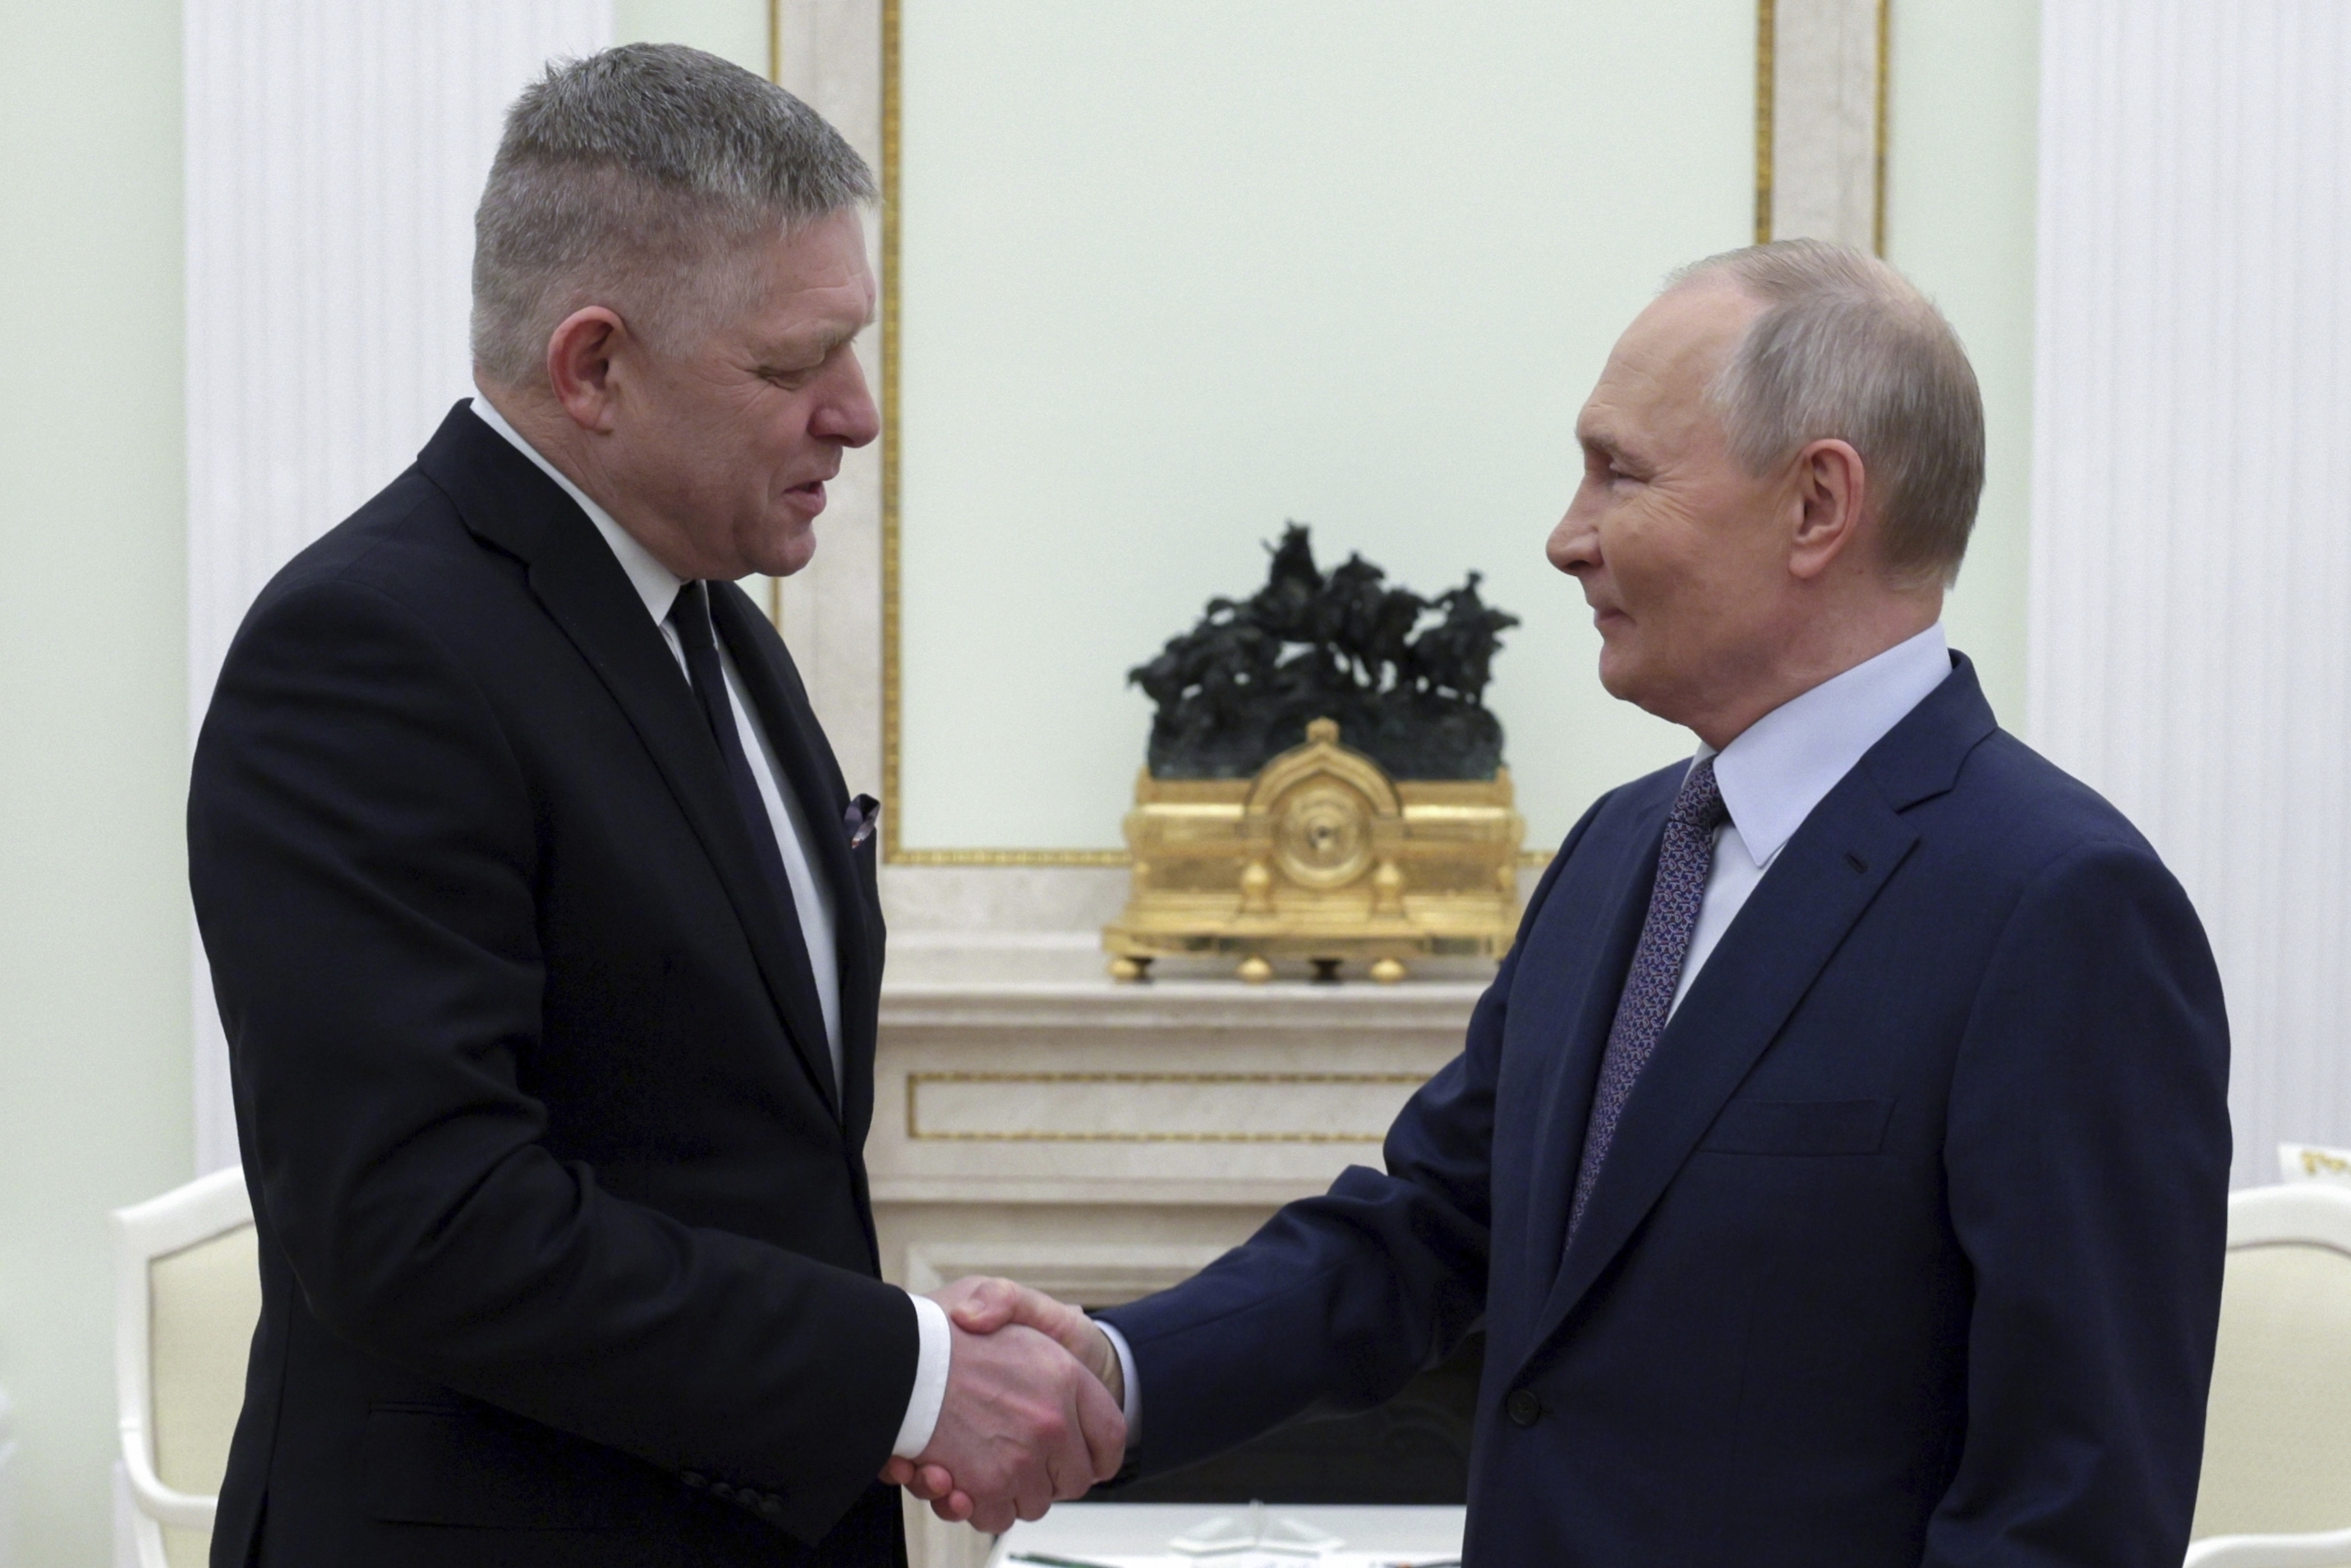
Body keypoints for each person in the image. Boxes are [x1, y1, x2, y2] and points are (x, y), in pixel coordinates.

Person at [917, 241, 2234, 1563]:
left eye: (1621, 472)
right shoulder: (1621, 849)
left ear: (1816, 505)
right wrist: (1114, 1360)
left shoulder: (2060, 907)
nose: (1565, 536)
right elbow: (1428, 1232)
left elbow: (2072, 1512)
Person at [188, 45, 1120, 1568]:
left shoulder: (716, 622)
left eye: (856, 349)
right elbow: (420, 1222)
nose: (859, 415)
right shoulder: (368, 649)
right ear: (594, 367)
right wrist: (911, 1375)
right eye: (790, 365)